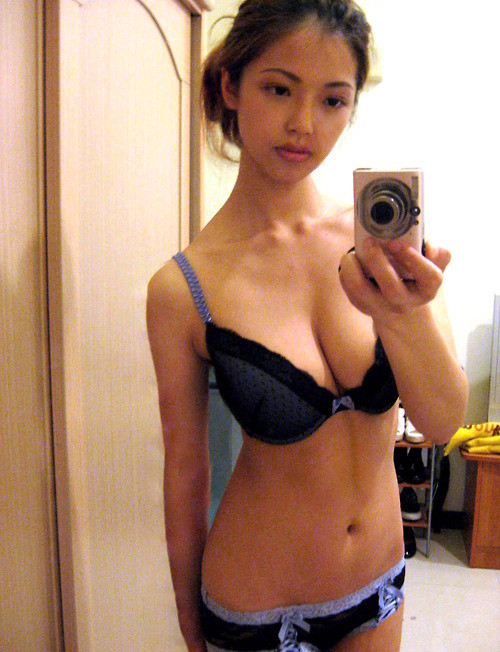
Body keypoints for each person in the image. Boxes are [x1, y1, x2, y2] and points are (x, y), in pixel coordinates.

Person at [146, 1, 469, 650]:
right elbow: (186, 474)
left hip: (379, 586)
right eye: (278, 89)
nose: (303, 124)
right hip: (257, 606)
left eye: (333, 100)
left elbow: (441, 423)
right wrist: (188, 624)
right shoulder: (183, 289)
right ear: (231, 86)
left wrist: (401, 315)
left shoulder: (386, 242)